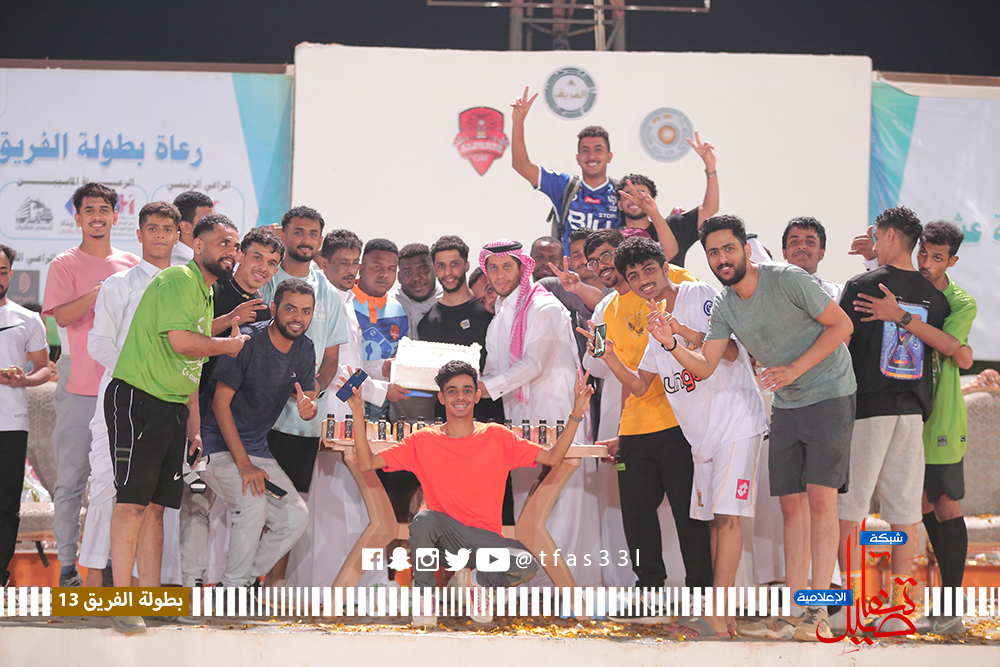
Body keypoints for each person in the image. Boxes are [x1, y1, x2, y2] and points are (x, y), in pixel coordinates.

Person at [664, 214, 856, 641]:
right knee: (791, 506)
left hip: (830, 392)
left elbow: (843, 326)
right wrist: (671, 341)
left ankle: (818, 612)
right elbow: (706, 364)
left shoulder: (787, 279)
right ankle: (795, 611)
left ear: (746, 250)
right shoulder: (725, 304)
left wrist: (794, 369)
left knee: (821, 500)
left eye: (728, 249)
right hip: (786, 402)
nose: (722, 258)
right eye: (713, 252)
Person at [587, 236, 768, 636]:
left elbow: (730, 352)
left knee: (725, 521)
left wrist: (678, 332)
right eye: (635, 276)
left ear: (665, 268)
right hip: (700, 435)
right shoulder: (651, 322)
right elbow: (639, 385)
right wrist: (610, 356)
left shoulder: (695, 293)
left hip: (734, 421)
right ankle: (719, 618)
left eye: (649, 270)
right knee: (714, 523)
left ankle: (713, 615)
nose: (643, 280)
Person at [343, 359, 593, 626]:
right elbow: (367, 463)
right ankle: (425, 601)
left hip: (484, 541)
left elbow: (553, 458)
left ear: (476, 396)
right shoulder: (423, 440)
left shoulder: (498, 437)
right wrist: (357, 411)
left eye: (466, 390)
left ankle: (477, 581)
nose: (459, 397)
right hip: (443, 540)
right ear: (441, 398)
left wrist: (576, 414)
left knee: (526, 565)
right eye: (452, 391)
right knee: (423, 521)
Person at [106, 213, 249, 634]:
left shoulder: (205, 292)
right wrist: (229, 345)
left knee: (157, 508)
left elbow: (191, 364)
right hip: (139, 399)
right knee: (132, 503)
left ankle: (150, 602)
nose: (231, 251)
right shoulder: (177, 280)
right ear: (197, 245)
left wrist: (194, 425)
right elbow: (183, 343)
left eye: (235, 245)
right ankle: (121, 604)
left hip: (172, 406)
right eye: (222, 242)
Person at [577, 231, 711, 603]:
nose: (602, 265)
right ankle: (649, 592)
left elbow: (707, 334)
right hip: (636, 427)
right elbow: (618, 375)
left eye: (607, 255)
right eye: (594, 261)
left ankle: (702, 597)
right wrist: (623, 431)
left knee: (690, 517)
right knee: (636, 518)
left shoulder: (671, 279)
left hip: (681, 423)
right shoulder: (606, 310)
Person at [837, 208, 954, 633]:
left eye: (876, 236)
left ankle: (850, 607)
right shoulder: (933, 296)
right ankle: (900, 611)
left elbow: (839, 343)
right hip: (912, 414)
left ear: (887, 236)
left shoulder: (861, 286)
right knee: (904, 511)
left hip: (868, 410)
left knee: (849, 509)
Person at [860, 220, 975, 635]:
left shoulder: (959, 302)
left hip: (941, 412)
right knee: (919, 504)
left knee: (944, 502)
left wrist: (901, 316)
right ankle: (928, 607)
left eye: (937, 257)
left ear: (952, 261)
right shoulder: (910, 285)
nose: (926, 263)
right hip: (909, 410)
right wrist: (875, 259)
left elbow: (953, 349)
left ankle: (951, 608)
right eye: (923, 252)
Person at [479, 239, 601, 586]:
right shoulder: (500, 316)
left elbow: (533, 364)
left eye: (507, 267)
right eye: (493, 268)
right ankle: (535, 587)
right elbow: (493, 372)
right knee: (528, 504)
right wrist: (464, 385)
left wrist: (483, 388)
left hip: (559, 415)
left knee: (562, 504)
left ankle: (567, 590)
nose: (500, 275)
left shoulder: (544, 306)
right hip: (520, 422)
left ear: (522, 268)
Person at [41, 182, 140, 587]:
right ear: (78, 218)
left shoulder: (133, 264)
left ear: (116, 216)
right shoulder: (64, 263)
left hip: (125, 386)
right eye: (89, 210)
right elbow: (61, 317)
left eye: (104, 209)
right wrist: (102, 290)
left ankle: (113, 566)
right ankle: (68, 569)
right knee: (71, 482)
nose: (97, 216)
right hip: (80, 384)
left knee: (120, 485)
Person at [80, 202, 180, 588]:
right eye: (152, 228)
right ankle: (94, 585)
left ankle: (143, 592)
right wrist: (140, 377)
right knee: (107, 488)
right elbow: (98, 343)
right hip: (122, 398)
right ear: (139, 235)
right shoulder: (120, 284)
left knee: (153, 500)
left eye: (167, 229)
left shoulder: (185, 288)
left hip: (167, 402)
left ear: (177, 236)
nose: (159, 235)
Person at [179, 226, 284, 588]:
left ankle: (231, 585)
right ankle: (190, 584)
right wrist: (229, 320)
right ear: (239, 255)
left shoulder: (265, 308)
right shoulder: (213, 290)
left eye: (272, 262)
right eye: (256, 257)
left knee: (246, 507)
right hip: (194, 415)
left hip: (230, 425)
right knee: (196, 503)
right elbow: (185, 340)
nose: (263, 267)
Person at [200, 279, 317, 591]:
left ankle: (236, 584)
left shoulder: (305, 348)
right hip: (214, 446)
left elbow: (308, 398)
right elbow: (220, 404)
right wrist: (244, 465)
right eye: (290, 309)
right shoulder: (248, 340)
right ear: (274, 308)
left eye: (306, 311)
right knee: (253, 504)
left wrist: (309, 408)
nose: (298, 318)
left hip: (256, 450)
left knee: (295, 518)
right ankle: (234, 588)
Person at [258, 206, 347, 584]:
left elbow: (331, 359)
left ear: (320, 240)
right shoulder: (265, 280)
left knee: (288, 511)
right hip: (259, 419)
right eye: (298, 231)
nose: (306, 239)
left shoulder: (328, 291)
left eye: (313, 233)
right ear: (283, 235)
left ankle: (271, 588)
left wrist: (313, 391)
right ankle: (240, 586)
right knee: (252, 508)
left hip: (303, 424)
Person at [510, 87, 620, 252]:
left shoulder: (621, 192)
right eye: (585, 150)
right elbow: (521, 165)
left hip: (608, 268)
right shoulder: (564, 185)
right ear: (577, 158)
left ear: (609, 156)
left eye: (598, 150)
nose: (591, 156)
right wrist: (518, 122)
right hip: (570, 268)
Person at [0, 245, 51, 587]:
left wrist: (24, 380)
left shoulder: (26, 319)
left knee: (6, 504)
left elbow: (44, 368)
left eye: (2, 271)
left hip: (10, 422)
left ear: (11, 274)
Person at [616, 159, 718, 268]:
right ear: (619, 205)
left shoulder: (674, 226)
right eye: (628, 195)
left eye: (641, 194)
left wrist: (710, 166)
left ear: (652, 200)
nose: (635, 199)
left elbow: (709, 208)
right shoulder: (614, 240)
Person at [781, 217, 843, 301]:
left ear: (821, 253)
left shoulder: (838, 294)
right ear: (784, 253)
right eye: (794, 242)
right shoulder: (770, 293)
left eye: (810, 242)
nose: (802, 246)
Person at [392, 243, 442, 337]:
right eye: (408, 272)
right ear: (399, 277)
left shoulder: (449, 301)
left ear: (435, 270)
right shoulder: (388, 303)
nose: (416, 278)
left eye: (423, 270)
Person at [171, 191, 215, 266]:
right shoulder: (176, 265)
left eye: (214, 220)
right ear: (186, 227)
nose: (213, 226)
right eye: (206, 221)